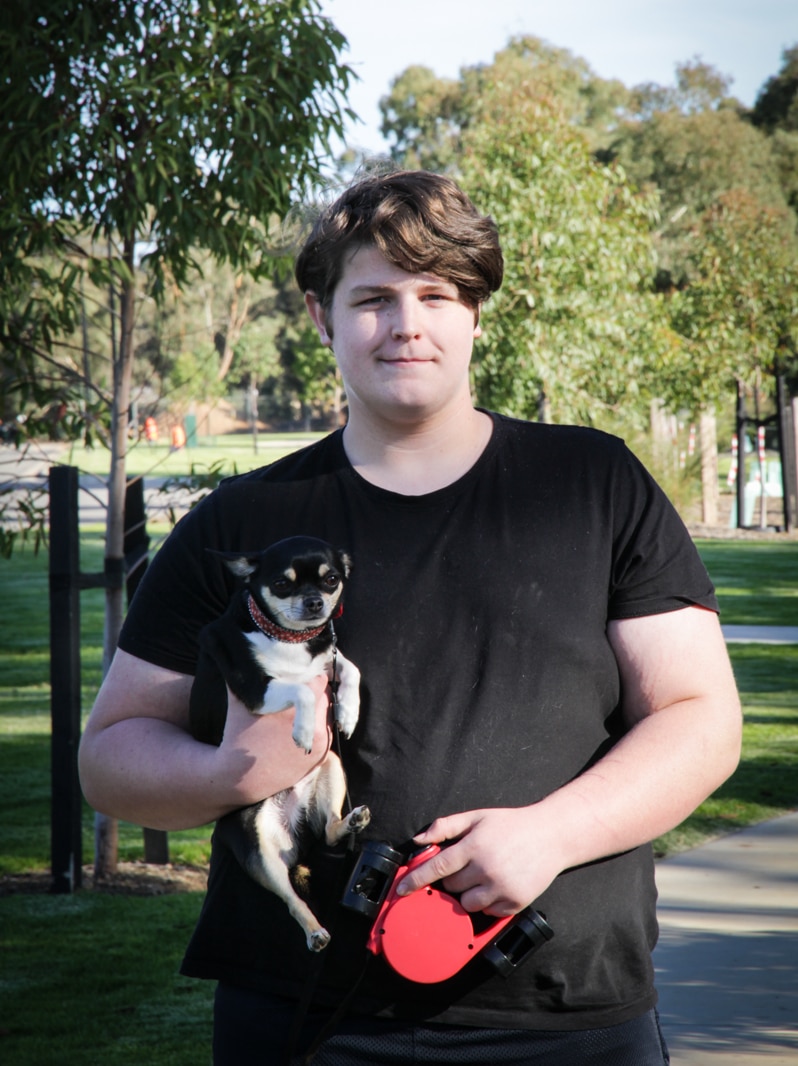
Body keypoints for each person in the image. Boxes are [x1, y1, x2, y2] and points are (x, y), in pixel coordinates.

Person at [79, 170, 742, 1065]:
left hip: (570, 1010)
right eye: (374, 299)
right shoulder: (239, 525)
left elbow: (702, 719)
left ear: (474, 313)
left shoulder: (594, 483)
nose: (407, 325)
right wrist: (236, 768)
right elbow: (112, 758)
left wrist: (554, 832)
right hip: (306, 1017)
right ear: (320, 316)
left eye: (436, 294)